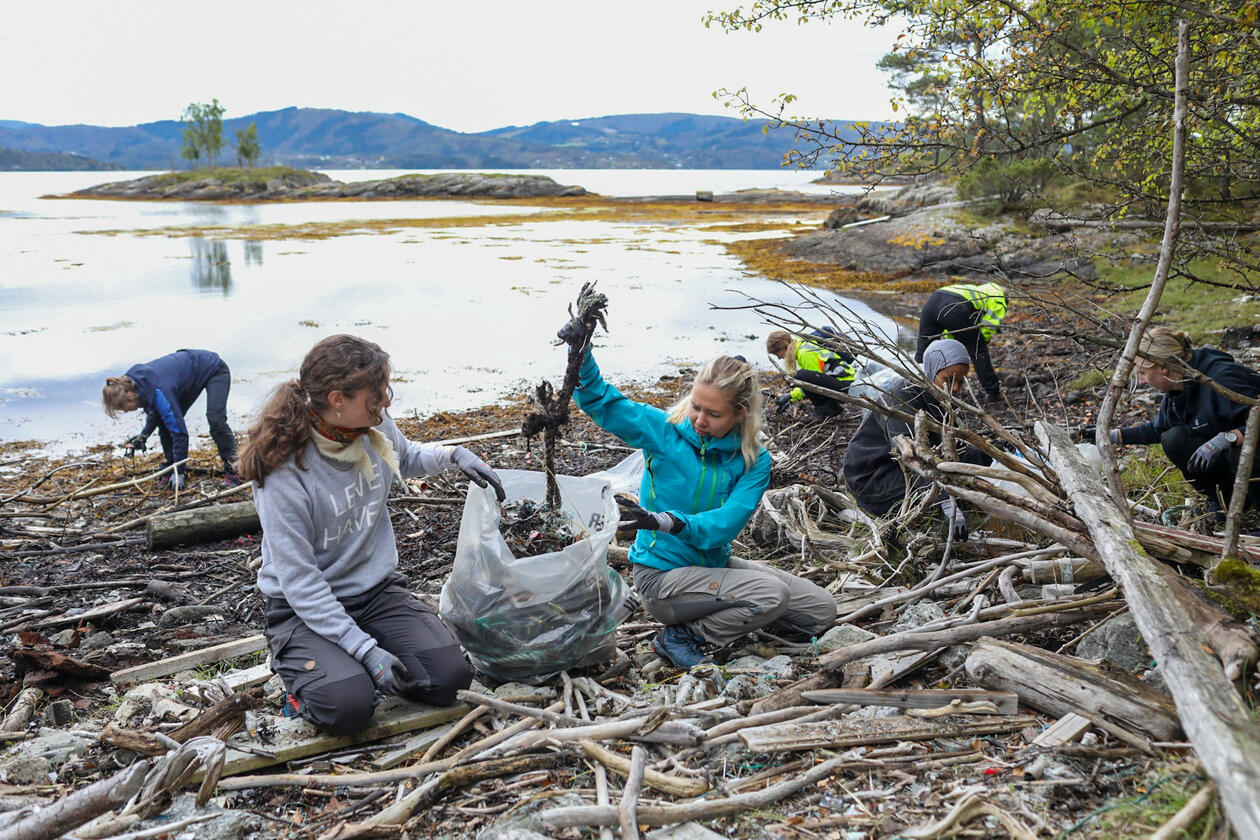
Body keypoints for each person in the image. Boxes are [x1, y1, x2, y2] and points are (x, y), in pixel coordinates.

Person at [238, 334, 505, 734]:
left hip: (375, 595)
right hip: (302, 609)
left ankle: (350, 660)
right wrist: (366, 651)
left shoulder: (369, 426)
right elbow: (301, 583)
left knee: (449, 678)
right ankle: (306, 682)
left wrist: (454, 456)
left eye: (385, 392)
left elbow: (406, 455)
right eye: (375, 395)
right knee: (348, 707)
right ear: (337, 399)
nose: (384, 403)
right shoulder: (283, 472)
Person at [560, 317, 837, 670]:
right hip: (661, 578)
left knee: (820, 610)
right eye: (696, 406)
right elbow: (602, 401)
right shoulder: (665, 431)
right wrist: (581, 353)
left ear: (740, 414)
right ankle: (684, 637)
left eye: (713, 414)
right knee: (772, 594)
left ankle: (742, 615)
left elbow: (725, 526)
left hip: (710, 567)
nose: (699, 420)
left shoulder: (753, 460)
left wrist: (669, 522)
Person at [1087, 327, 1260, 517]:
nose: (1142, 381)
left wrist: (1229, 437)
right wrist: (1108, 435)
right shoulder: (1178, 389)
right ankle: (1225, 499)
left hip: (1251, 450)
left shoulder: (1221, 378)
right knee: (1175, 439)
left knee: (1241, 451)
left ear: (1163, 368)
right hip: (1238, 459)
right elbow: (1157, 430)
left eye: (1143, 373)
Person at [842, 338, 988, 537]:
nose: (955, 389)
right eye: (948, 380)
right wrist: (944, 502)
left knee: (962, 483)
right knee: (948, 494)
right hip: (872, 477)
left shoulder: (944, 402)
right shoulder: (901, 399)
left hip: (903, 468)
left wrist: (988, 454)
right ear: (931, 371)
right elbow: (912, 457)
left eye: (960, 382)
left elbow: (954, 450)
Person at [102, 349, 239, 489]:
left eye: (123, 407)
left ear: (130, 396)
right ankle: (170, 468)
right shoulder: (132, 384)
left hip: (213, 368)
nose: (125, 411)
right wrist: (144, 435)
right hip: (186, 376)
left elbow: (180, 433)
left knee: (215, 419)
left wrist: (179, 472)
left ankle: (235, 470)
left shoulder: (160, 390)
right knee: (165, 423)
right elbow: (155, 412)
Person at [915, 281, 1006, 403]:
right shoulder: (999, 295)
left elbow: (953, 331)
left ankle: (916, 389)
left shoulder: (974, 290)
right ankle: (993, 392)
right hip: (953, 307)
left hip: (932, 302)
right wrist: (983, 338)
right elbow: (991, 323)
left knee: (923, 350)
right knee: (978, 349)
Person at [766, 328, 857, 419]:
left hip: (845, 386)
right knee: (798, 377)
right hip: (839, 382)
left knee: (800, 375)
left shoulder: (805, 353)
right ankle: (831, 406)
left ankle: (825, 407)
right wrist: (791, 398)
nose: (779, 358)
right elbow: (815, 380)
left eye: (776, 353)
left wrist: (790, 396)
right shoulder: (802, 345)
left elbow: (812, 384)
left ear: (783, 347)